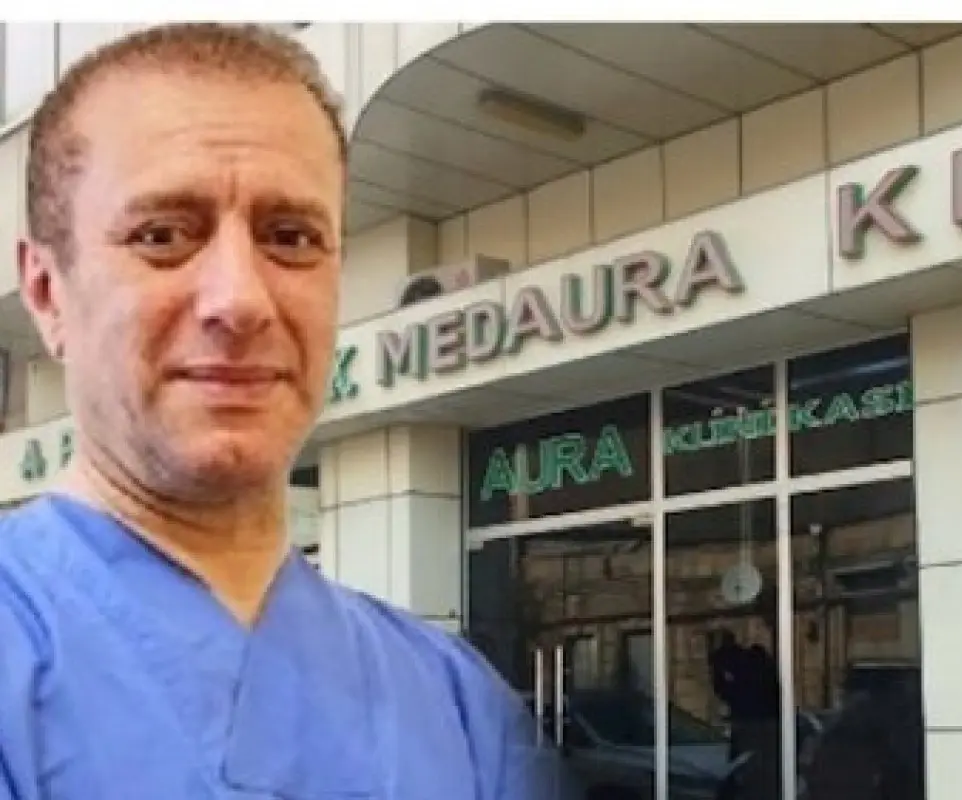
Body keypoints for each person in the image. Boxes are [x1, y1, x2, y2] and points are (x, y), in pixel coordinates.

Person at [0, 23, 577, 799]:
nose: (240, 299)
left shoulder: (462, 708)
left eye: (291, 237)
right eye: (162, 235)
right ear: (46, 293)